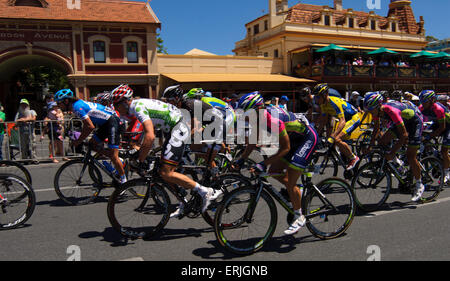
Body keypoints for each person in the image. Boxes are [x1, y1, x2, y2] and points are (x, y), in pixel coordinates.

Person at [113, 86, 222, 215]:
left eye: (116, 105)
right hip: (174, 129)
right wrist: (139, 150)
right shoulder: (138, 105)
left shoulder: (137, 107)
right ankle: (183, 202)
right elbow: (144, 134)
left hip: (178, 129)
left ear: (124, 102)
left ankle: (205, 191)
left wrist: (139, 159)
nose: (115, 108)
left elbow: (150, 136)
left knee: (166, 173)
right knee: (161, 171)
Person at [232, 92, 318, 235]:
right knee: (273, 172)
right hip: (293, 139)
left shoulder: (272, 120)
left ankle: (299, 216)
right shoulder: (258, 118)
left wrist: (263, 163)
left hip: (306, 138)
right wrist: (241, 159)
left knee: (290, 180)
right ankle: (297, 193)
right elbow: (253, 141)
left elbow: (286, 148)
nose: (244, 116)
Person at [55, 88, 127, 184]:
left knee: (113, 155)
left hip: (113, 122)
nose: (58, 106)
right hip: (106, 123)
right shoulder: (76, 106)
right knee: (92, 144)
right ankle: (116, 159)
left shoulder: (77, 107)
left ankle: (124, 181)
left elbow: (89, 126)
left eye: (59, 103)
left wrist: (78, 141)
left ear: (66, 101)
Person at [363, 92, 425, 201]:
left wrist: (392, 152)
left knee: (411, 156)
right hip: (403, 121)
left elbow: (404, 135)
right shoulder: (377, 112)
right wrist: (370, 146)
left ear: (378, 106)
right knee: (382, 142)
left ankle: (419, 184)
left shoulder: (391, 111)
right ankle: (398, 163)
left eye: (371, 110)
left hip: (415, 122)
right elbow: (376, 130)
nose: (370, 113)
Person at [314, 84, 361, 170]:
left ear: (325, 95)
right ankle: (347, 160)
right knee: (335, 140)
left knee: (336, 138)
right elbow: (324, 121)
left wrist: (332, 136)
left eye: (318, 97)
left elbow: (342, 121)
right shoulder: (323, 104)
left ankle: (353, 158)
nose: (316, 99)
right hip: (345, 120)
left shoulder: (334, 102)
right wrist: (316, 134)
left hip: (353, 118)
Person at [418, 90, 450, 183]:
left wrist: (429, 137)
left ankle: (447, 173)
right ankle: (434, 153)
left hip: (447, 126)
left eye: (425, 102)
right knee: (424, 137)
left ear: (432, 100)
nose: (423, 104)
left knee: (444, 151)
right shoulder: (421, 108)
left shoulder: (438, 108)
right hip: (437, 124)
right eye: (422, 102)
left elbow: (442, 127)